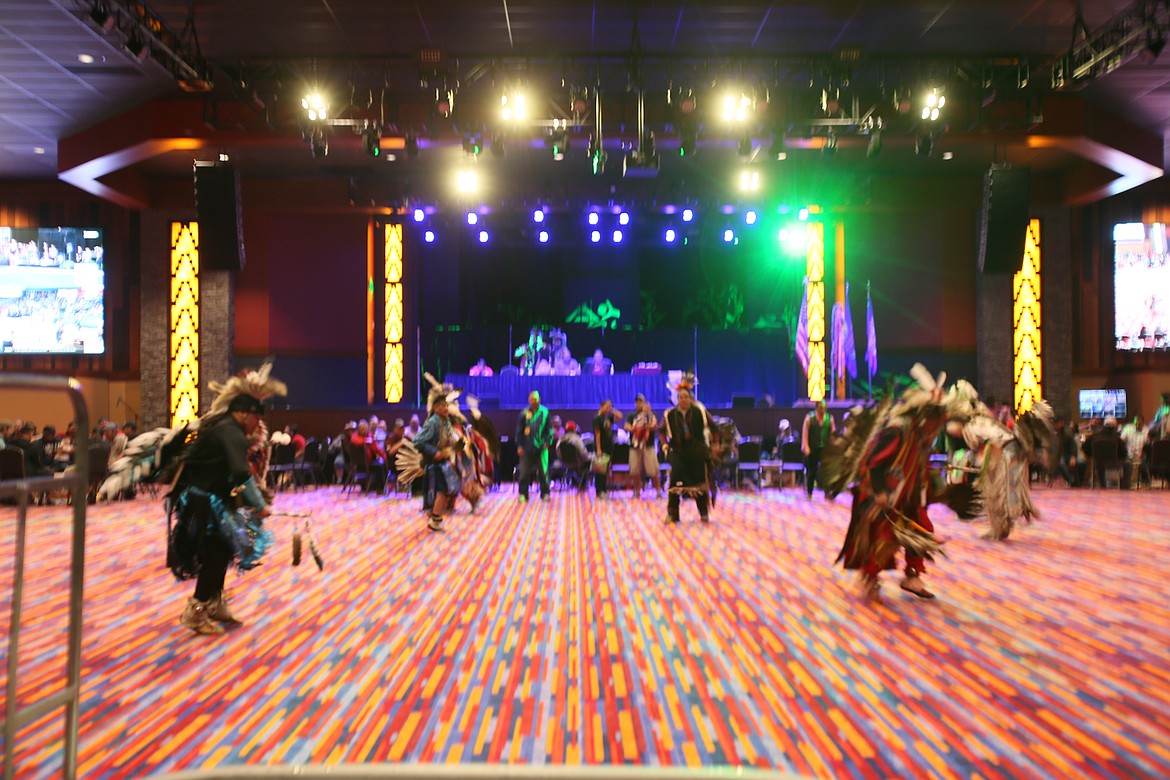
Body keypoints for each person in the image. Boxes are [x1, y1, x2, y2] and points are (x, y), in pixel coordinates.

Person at [168, 364, 286, 635]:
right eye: (255, 417)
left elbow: (233, 475)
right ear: (242, 413)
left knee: (221, 549)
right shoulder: (230, 432)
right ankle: (196, 611)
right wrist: (259, 505)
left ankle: (214, 602)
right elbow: (241, 474)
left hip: (213, 496)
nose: (257, 424)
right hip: (203, 499)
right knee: (218, 551)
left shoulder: (227, 428)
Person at [835, 366, 957, 603]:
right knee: (882, 537)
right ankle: (869, 577)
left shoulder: (920, 435)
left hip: (907, 495)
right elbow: (874, 463)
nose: (937, 430)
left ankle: (912, 576)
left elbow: (919, 469)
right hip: (878, 492)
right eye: (936, 424)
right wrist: (881, 491)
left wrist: (933, 492)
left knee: (921, 529)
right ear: (926, 417)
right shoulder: (898, 430)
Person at [411, 385, 464, 530]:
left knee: (445, 489)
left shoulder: (445, 421)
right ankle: (435, 518)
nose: (446, 408)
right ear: (435, 408)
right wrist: (434, 452)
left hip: (442, 462)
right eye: (442, 406)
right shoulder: (433, 422)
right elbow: (417, 441)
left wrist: (457, 442)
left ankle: (435, 517)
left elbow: (451, 436)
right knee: (442, 489)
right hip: (433, 463)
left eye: (446, 405)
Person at [662, 375, 712, 523]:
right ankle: (673, 514)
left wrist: (714, 445)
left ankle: (703, 512)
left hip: (696, 453)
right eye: (680, 397)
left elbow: (712, 426)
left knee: (699, 484)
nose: (683, 399)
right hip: (678, 453)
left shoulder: (699, 412)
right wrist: (664, 444)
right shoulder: (670, 414)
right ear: (677, 399)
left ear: (690, 399)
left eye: (686, 397)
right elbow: (661, 430)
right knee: (675, 484)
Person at [515, 390, 552, 501]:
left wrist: (547, 442)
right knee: (524, 472)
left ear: (539, 400)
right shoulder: (524, 413)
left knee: (543, 472)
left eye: (535, 399)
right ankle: (523, 494)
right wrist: (519, 446)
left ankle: (545, 493)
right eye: (531, 399)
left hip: (542, 447)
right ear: (529, 400)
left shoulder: (545, 412)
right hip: (526, 447)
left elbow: (549, 430)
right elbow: (519, 431)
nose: (533, 401)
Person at [625, 393, 661, 498]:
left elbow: (654, 426)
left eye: (640, 401)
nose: (639, 404)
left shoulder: (651, 414)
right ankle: (637, 491)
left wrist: (644, 426)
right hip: (635, 446)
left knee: (653, 470)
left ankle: (658, 491)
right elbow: (627, 426)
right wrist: (633, 428)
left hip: (648, 446)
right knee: (634, 470)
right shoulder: (632, 415)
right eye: (637, 402)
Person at [801, 401, 836, 498]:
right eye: (820, 408)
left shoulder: (829, 418)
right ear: (816, 408)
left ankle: (827, 492)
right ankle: (809, 493)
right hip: (813, 448)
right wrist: (805, 446)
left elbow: (833, 434)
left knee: (827, 471)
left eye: (824, 408)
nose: (822, 411)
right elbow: (805, 434)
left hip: (825, 448)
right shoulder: (809, 418)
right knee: (812, 471)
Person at [592, 399, 624, 498]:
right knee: (600, 470)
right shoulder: (597, 419)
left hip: (608, 448)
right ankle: (600, 490)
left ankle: (604, 490)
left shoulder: (607, 418)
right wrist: (598, 449)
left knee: (605, 471)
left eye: (609, 407)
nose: (608, 409)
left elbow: (620, 416)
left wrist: (611, 410)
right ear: (601, 406)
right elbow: (597, 435)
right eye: (606, 407)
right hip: (601, 448)